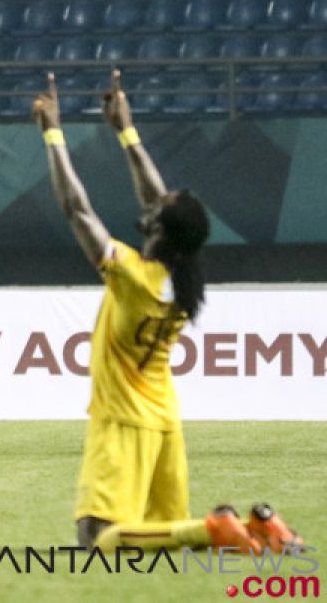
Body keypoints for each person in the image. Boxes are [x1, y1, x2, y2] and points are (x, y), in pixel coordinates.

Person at [33, 71, 304, 554]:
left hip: (121, 422)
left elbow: (76, 209)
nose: (156, 203)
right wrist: (126, 131)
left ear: (160, 228)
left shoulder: (133, 277)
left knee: (96, 538)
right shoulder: (183, 278)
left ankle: (216, 528)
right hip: (164, 421)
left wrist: (52, 133)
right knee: (163, 534)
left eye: (162, 207)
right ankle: (259, 527)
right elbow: (158, 202)